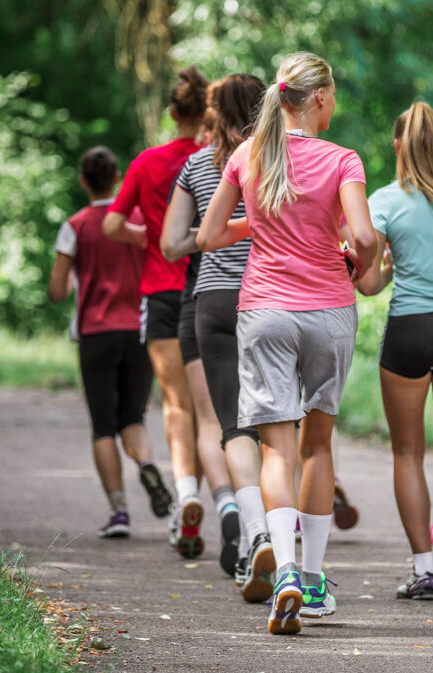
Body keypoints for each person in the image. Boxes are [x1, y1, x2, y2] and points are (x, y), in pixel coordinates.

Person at [198, 52, 377, 636]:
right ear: (320, 98)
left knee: (276, 449)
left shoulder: (249, 155)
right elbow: (365, 235)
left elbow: (206, 235)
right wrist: (358, 258)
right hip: (328, 309)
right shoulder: (342, 160)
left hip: (265, 311)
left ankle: (286, 575)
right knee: (317, 446)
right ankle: (317, 580)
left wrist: (260, 222)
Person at [355, 103, 433, 601]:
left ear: (398, 146)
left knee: (407, 453)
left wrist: (393, 265)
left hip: (409, 329)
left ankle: (425, 570)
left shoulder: (382, 201)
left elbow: (370, 284)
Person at [160, 75, 267, 583]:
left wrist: (212, 236)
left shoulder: (198, 164)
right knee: (274, 426)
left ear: (213, 111)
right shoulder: (276, 160)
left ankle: (235, 515)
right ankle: (264, 530)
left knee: (226, 424)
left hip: (214, 302)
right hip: (271, 298)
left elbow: (171, 244)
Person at [103, 66, 209, 559]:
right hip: (208, 288)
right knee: (208, 409)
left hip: (161, 292)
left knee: (175, 405)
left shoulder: (148, 162)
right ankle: (205, 499)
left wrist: (151, 237)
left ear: (172, 112)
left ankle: (185, 502)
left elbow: (111, 222)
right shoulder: (218, 160)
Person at [48, 146, 173, 538]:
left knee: (103, 426)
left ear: (84, 181)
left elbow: (55, 290)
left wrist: (76, 279)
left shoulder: (76, 225)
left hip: (95, 333)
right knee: (133, 418)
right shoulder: (136, 220)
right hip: (139, 329)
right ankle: (147, 465)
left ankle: (119, 513)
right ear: (118, 177)